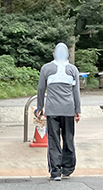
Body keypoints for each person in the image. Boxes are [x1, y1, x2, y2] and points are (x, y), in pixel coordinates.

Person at [35, 43, 82, 181]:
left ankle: (55, 171)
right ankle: (67, 169)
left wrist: (39, 107)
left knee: (53, 140)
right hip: (68, 109)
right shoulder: (73, 69)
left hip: (52, 110)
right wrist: (77, 110)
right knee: (68, 139)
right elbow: (76, 92)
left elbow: (40, 89)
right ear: (67, 54)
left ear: (53, 53)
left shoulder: (46, 68)